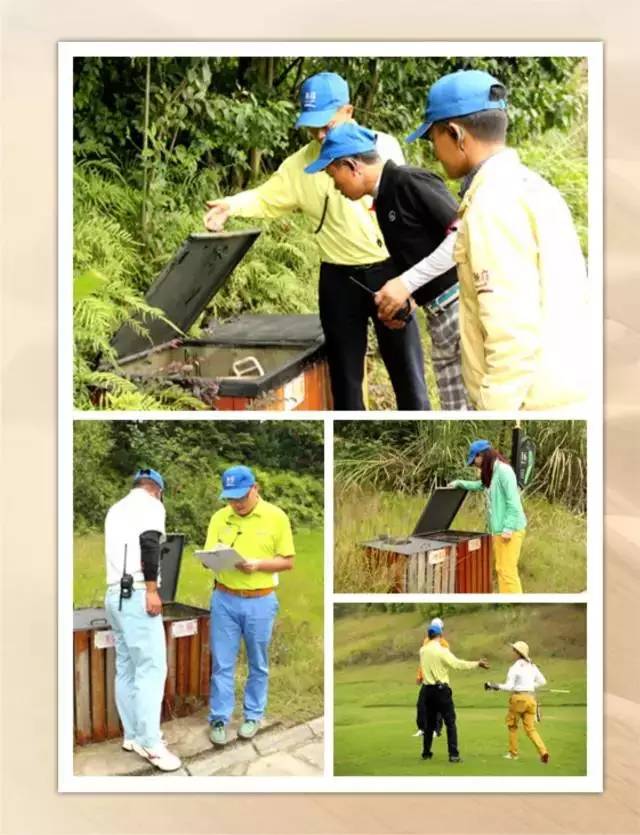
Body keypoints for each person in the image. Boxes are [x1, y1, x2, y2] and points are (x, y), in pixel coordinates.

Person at [203, 71, 430, 411]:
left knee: (408, 377)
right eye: (314, 127)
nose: (321, 135)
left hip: (389, 272)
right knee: (345, 381)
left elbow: (408, 209)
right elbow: (267, 197)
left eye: (328, 124)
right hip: (339, 280)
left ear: (349, 112)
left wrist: (411, 281)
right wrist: (231, 205)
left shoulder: (381, 147)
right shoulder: (300, 166)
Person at [404, 68, 588, 411]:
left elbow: (511, 337)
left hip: (529, 403)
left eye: (433, 140)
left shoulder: (492, 206)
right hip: (564, 387)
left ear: (456, 134)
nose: (434, 153)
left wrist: (492, 412)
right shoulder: (534, 187)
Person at [304, 122, 467, 410]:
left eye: (333, 174)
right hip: (438, 315)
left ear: (352, 166)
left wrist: (405, 283)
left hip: (460, 308)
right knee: (455, 406)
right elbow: (422, 250)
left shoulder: (408, 181)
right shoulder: (384, 198)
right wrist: (407, 300)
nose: (335, 185)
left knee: (472, 404)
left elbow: (464, 236)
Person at [203, 465, 295, 745]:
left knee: (258, 663)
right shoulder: (220, 517)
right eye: (230, 498)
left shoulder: (276, 517)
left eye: (241, 497)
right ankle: (219, 718)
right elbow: (209, 553)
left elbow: (287, 561)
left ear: (255, 488)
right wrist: (212, 560)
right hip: (224, 599)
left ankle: (253, 714)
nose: (236, 504)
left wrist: (257, 565)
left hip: (260, 601)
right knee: (222, 662)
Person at [103, 468, 182, 772]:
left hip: (114, 595)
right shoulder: (152, 505)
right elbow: (150, 543)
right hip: (137, 594)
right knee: (152, 669)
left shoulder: (116, 508)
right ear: (157, 490)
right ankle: (151, 744)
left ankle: (132, 735)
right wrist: (152, 590)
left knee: (126, 667)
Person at [449, 439, 527, 593]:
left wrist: (508, 528)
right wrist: (459, 483)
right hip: (499, 530)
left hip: (510, 530)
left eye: (474, 461)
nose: (474, 465)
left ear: (481, 455)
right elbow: (480, 485)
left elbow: (514, 503)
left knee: (508, 572)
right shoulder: (493, 472)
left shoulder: (504, 471)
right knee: (501, 570)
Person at [419, 621, 489, 763]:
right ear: (440, 634)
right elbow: (457, 664)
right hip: (441, 690)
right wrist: (477, 663)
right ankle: (453, 754)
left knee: (430, 723)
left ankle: (426, 752)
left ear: (428, 635)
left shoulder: (422, 650)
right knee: (450, 722)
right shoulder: (442, 651)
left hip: (427, 690)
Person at [485, 640, 549, 763]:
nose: (512, 652)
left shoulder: (514, 667)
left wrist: (495, 686)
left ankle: (513, 753)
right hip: (531, 699)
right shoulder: (532, 666)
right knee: (530, 729)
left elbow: (509, 686)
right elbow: (543, 682)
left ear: (518, 653)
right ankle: (543, 752)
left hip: (518, 699)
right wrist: (530, 685)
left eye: (514, 650)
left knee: (512, 726)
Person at [415, 617, 446, 737]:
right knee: (421, 704)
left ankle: (436, 730)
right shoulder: (426, 641)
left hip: (438, 680)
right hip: (426, 680)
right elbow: (423, 661)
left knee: (437, 706)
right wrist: (419, 675)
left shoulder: (443, 644)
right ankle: (422, 728)